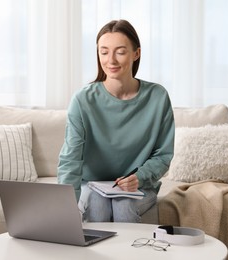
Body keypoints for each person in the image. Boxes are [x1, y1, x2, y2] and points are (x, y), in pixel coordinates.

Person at [57, 19, 174, 223]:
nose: (111, 60)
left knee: (124, 205)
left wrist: (140, 177)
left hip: (139, 186)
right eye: (104, 52)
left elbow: (163, 155)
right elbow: (70, 160)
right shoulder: (82, 100)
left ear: (136, 53)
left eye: (120, 51)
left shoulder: (158, 97)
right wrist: (64, 209)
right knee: (96, 203)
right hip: (91, 185)